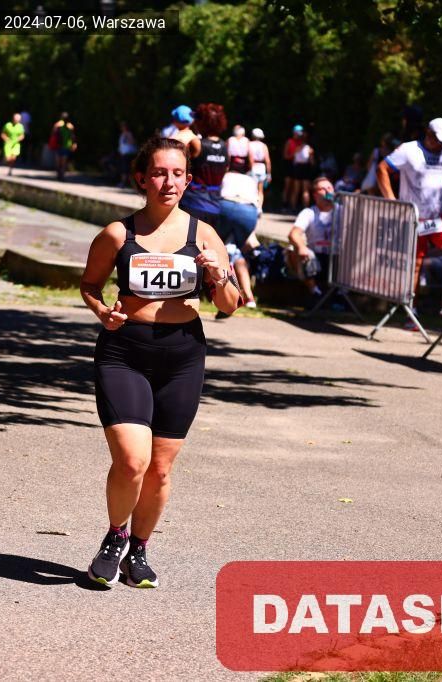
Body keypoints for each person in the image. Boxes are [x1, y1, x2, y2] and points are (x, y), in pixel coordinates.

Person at [79, 136, 240, 588]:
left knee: (160, 469)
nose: (168, 182)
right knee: (133, 461)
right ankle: (116, 536)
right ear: (142, 178)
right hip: (125, 351)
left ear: (188, 181)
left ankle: (139, 551)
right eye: (159, 173)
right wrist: (102, 310)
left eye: (177, 174)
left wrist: (218, 274)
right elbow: (89, 284)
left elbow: (229, 304)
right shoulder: (118, 234)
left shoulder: (203, 235)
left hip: (182, 355)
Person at [376, 117, 442, 306]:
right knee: (415, 263)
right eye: (439, 141)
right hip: (414, 218)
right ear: (429, 134)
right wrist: (392, 201)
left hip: (438, 218)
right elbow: (382, 169)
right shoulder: (409, 150)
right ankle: (412, 310)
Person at [218, 169, 262, 309]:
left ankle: (226, 295)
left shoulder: (225, 175)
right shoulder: (251, 179)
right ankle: (249, 297)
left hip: (226, 206)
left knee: (221, 251)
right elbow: (258, 202)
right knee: (237, 253)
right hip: (249, 211)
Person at [179, 102, 228, 228]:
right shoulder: (225, 146)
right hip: (215, 208)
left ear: (202, 122)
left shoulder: (197, 144)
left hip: (193, 204)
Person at [288, 176, 336, 301]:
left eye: (330, 188)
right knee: (292, 249)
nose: (327, 191)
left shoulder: (343, 211)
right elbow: (293, 234)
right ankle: (315, 292)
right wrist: (301, 247)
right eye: (323, 189)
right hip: (316, 257)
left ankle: (341, 295)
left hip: (338, 258)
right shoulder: (308, 213)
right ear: (315, 195)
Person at [283, 125, 315, 209]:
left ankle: (292, 208)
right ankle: (302, 208)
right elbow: (312, 162)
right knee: (304, 190)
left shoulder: (299, 148)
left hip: (297, 168)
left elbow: (294, 158)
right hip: (302, 168)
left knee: (296, 189)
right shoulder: (308, 148)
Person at [248, 127, 271, 211]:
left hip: (253, 167)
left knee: (252, 188)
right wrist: (269, 174)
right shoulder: (264, 146)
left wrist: (250, 169)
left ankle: (253, 206)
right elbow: (267, 160)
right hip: (261, 167)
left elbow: (250, 158)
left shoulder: (249, 144)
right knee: (260, 190)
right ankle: (259, 208)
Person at [51, 112, 77, 181]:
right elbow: (53, 134)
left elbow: (72, 136)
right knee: (59, 162)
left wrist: (74, 144)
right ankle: (59, 175)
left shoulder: (69, 126)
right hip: (59, 145)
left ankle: (61, 175)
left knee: (62, 162)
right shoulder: (58, 125)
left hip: (65, 146)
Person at [116, 121, 137, 188]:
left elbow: (132, 142)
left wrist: (127, 138)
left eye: (123, 126)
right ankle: (125, 182)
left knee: (126, 169)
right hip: (123, 154)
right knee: (123, 169)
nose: (122, 128)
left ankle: (124, 183)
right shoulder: (122, 134)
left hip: (129, 154)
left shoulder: (129, 134)